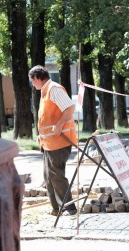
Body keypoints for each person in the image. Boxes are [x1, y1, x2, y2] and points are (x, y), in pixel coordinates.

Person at [28, 65, 78, 216]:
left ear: (37, 78)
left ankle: (70, 209)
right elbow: (48, 118)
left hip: (60, 141)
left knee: (56, 175)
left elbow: (69, 107)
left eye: (32, 80)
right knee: (48, 176)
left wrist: (59, 125)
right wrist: (41, 135)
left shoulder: (54, 89)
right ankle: (56, 209)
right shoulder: (45, 91)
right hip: (49, 143)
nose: (32, 84)